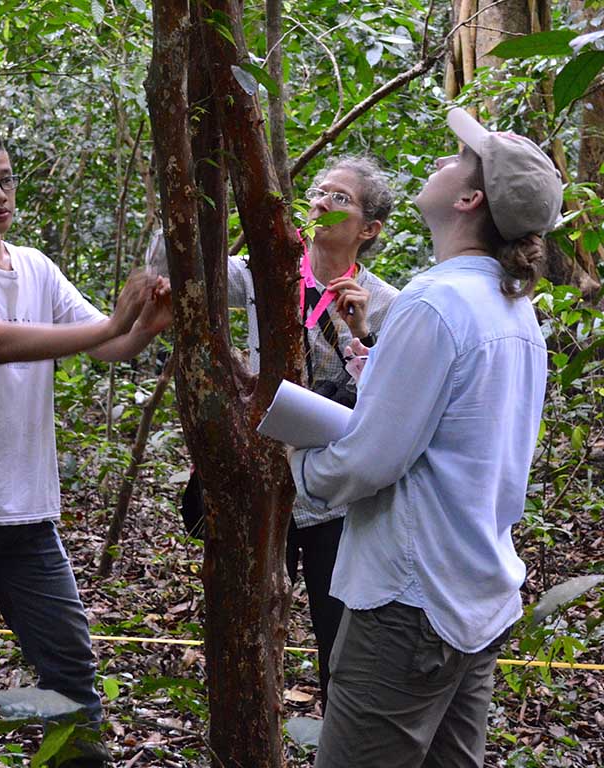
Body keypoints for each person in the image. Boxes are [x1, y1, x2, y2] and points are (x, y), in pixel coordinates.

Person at [0, 122, 171, 768]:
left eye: (6, 180)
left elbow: (105, 345)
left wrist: (143, 328)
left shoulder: (36, 267)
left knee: (71, 663)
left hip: (25, 513)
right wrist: (114, 322)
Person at [289, 108, 562, 767]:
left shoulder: (434, 302)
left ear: (469, 200)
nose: (441, 162)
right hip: (474, 596)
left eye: (457, 161)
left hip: (410, 604)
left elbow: (368, 460)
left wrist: (298, 458)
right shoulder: (513, 308)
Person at [227, 156, 399, 711]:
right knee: (249, 631)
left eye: (340, 198)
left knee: (339, 638)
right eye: (320, 191)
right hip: (263, 480)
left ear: (369, 229)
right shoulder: (263, 273)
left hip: (335, 494)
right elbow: (176, 267)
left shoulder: (389, 303)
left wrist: (363, 332)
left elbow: (395, 402)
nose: (322, 202)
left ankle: (341, 739)